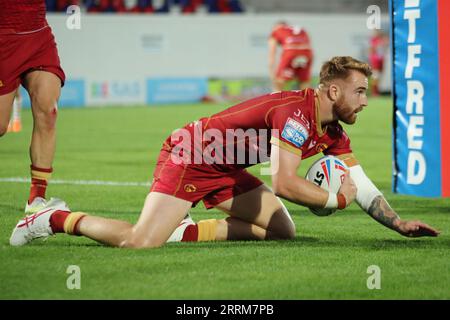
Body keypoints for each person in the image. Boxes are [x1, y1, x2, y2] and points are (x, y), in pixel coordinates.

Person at [9, 56, 440, 248]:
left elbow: (359, 180)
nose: (366, 99)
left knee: (283, 232)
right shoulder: (296, 113)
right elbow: (285, 182)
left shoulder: (332, 130)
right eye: (359, 91)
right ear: (332, 89)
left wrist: (397, 223)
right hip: (191, 154)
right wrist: (336, 199)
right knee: (139, 243)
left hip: (224, 164)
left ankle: (183, 230)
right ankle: (50, 217)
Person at [0, 0, 66, 213]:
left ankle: (36, 199)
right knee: (0, 126)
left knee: (49, 110)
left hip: (38, 35)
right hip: (3, 38)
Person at [268, 21, 313, 92]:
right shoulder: (299, 29)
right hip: (307, 52)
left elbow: (272, 53)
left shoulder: (276, 30)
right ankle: (309, 101)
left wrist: (272, 73)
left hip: (291, 51)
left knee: (278, 83)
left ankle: (277, 101)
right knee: (304, 84)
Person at [368, 29, 389, 96]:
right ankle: (374, 92)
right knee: (375, 76)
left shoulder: (382, 40)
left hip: (381, 61)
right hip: (375, 61)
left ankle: (376, 91)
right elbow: (371, 50)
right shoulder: (374, 40)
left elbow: (385, 47)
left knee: (379, 76)